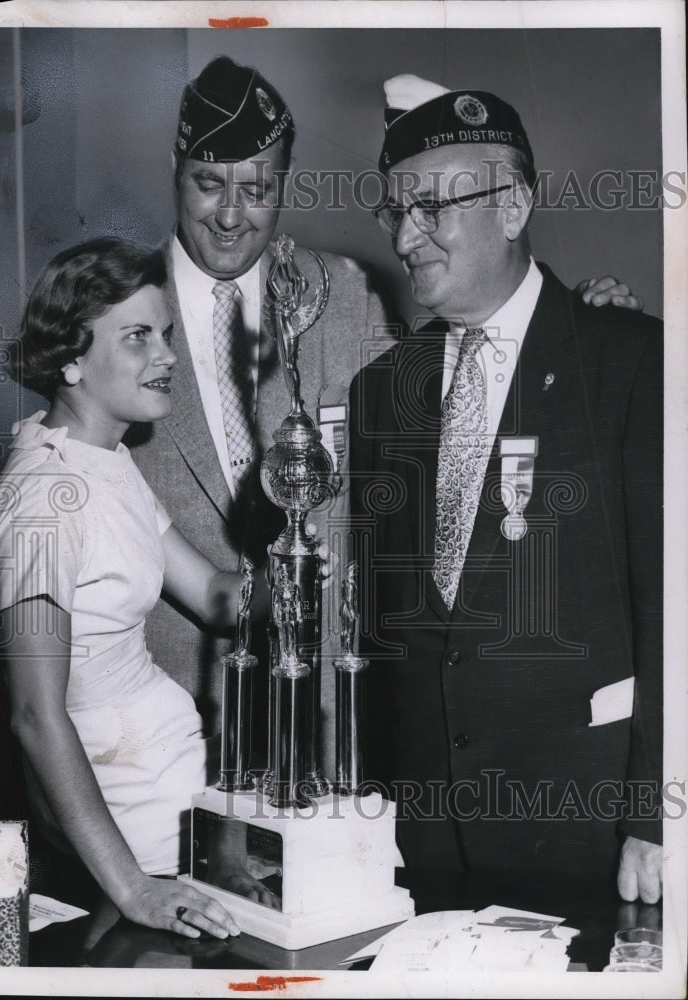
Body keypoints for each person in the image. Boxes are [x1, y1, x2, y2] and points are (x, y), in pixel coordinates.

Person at [128, 55, 644, 772]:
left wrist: (582, 325)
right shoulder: (115, 309)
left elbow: (478, 379)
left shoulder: (343, 292)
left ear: (285, 186)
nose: (230, 213)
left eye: (257, 188)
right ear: (176, 172)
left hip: (339, 726)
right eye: (209, 182)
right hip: (170, 721)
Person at [349, 76, 662, 902]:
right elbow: (392, 629)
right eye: (394, 211)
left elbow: (675, 611)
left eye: (430, 208)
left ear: (513, 206)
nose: (405, 236)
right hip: (420, 834)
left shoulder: (628, 363)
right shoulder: (383, 389)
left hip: (583, 820)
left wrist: (655, 819)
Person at [0, 237, 275, 939]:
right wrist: (135, 888)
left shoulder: (103, 461)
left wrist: (306, 555)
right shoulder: (43, 496)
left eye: (167, 335)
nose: (167, 356)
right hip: (129, 842)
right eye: (138, 337)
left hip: (185, 817)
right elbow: (34, 715)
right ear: (71, 358)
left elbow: (216, 597)